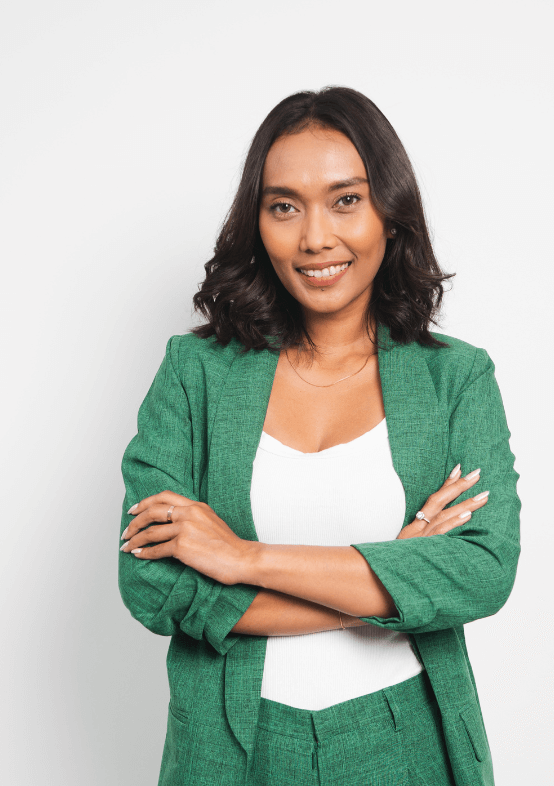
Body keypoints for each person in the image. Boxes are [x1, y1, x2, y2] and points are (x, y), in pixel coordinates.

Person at [118, 86, 521, 786]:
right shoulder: (195, 373)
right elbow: (150, 584)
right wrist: (386, 584)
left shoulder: (455, 379)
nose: (314, 238)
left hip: (406, 739)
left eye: (345, 200)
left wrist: (243, 559)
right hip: (233, 745)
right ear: (256, 223)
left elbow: (482, 571)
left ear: (390, 214)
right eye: (284, 206)